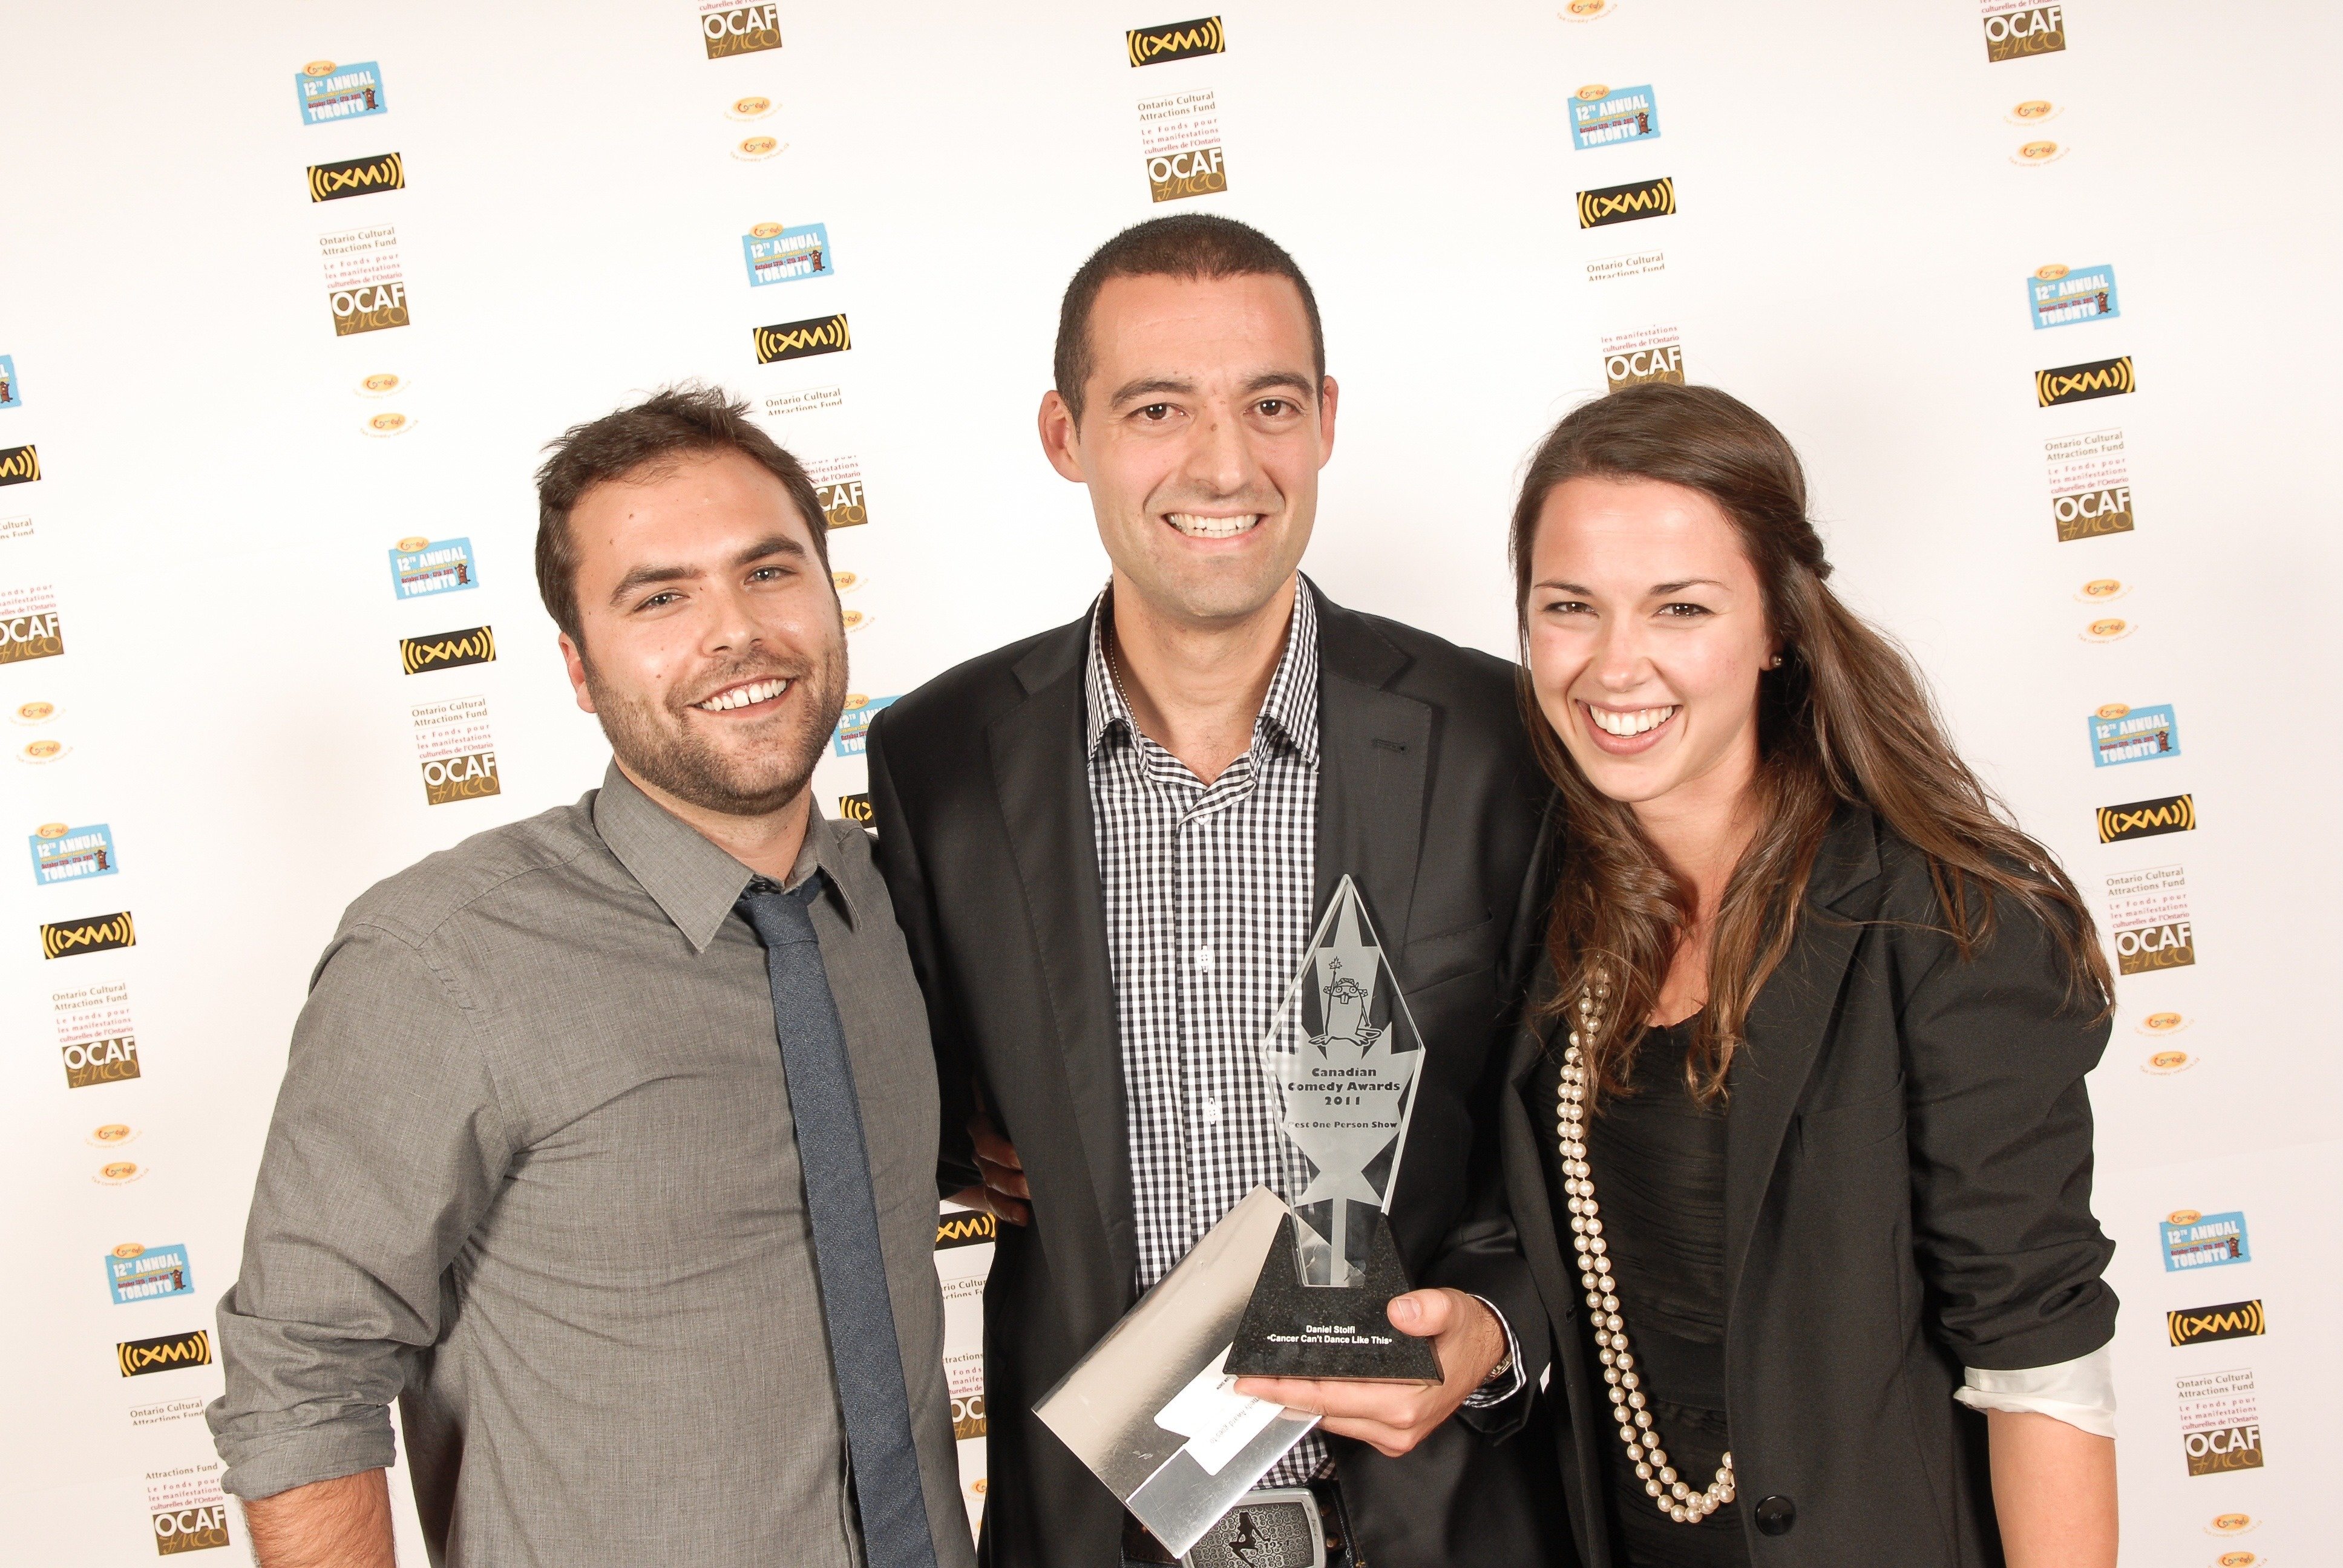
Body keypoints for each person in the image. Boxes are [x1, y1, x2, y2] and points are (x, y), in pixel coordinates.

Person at [866, 215, 1561, 1568]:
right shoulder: (939, 761)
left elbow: (1584, 1141)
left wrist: (1490, 1326)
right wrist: (973, 1141)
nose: (1224, 461)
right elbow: (926, 1087)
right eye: (1157, 407)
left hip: (1439, 1525)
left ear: (1326, 422)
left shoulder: (1498, 738)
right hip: (1100, 1529)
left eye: (1269, 404)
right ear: (1066, 436)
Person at [206, 387, 973, 1568]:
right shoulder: (443, 958)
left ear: (829, 596)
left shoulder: (895, 906)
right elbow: (304, 1374)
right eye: (660, 598)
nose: (735, 634)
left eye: (769, 573)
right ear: (577, 666)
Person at [1495, 382, 2120, 1567]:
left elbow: (2041, 1370)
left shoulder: (1946, 922)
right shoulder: (1538, 906)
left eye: (1680, 608)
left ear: (1776, 626)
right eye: (1568, 607)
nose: (1614, 666)